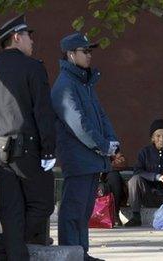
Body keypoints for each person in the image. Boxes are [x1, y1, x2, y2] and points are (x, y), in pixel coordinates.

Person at [0, 14, 56, 260]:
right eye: (29, 36)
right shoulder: (34, 68)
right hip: (28, 150)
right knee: (43, 204)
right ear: (16, 37)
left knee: (12, 213)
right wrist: (49, 150)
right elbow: (43, 112)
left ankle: (6, 249)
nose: (32, 42)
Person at [51, 32, 120, 261]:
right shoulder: (65, 85)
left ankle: (81, 252)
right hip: (78, 158)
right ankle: (72, 253)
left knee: (83, 210)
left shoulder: (84, 83)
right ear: (71, 55)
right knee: (73, 209)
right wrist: (103, 146)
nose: (89, 56)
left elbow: (101, 115)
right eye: (85, 51)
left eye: (90, 51)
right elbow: (78, 124)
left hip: (90, 158)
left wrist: (111, 141)